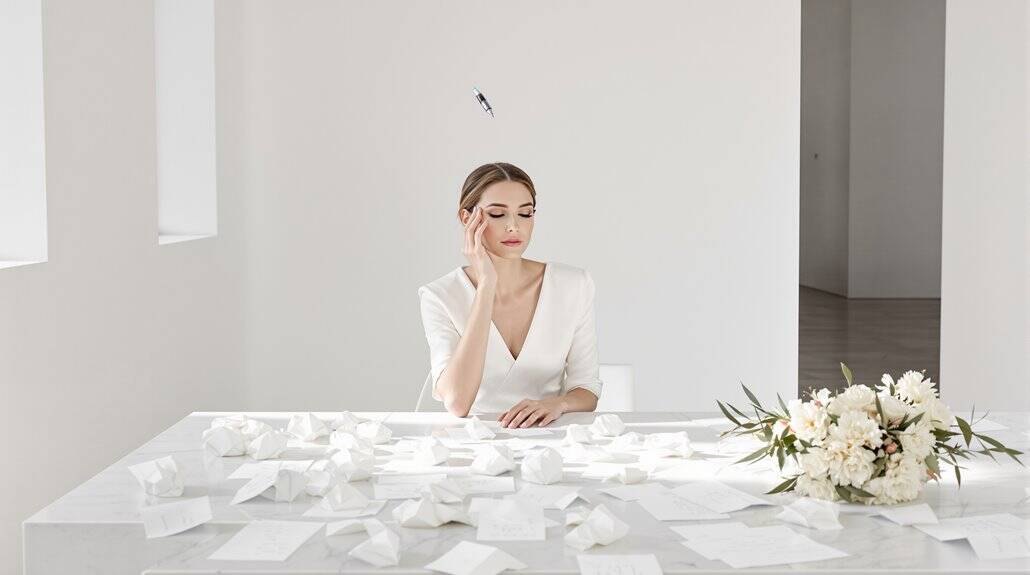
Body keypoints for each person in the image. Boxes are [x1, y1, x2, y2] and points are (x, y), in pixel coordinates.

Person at [418, 162, 602, 428]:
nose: (513, 226)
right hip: (474, 443)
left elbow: (587, 388)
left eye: (525, 214)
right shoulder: (439, 296)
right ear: (467, 218)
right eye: (496, 214)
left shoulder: (572, 285)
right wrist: (486, 286)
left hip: (551, 437)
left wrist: (556, 404)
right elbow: (458, 403)